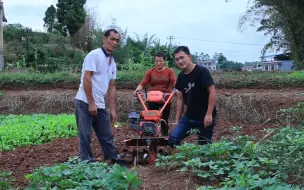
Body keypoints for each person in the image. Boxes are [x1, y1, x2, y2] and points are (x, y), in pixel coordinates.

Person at [74, 28, 126, 166]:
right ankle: (86, 164)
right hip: (85, 101)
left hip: (100, 104)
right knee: (85, 135)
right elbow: (87, 78)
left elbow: (112, 86)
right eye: (112, 39)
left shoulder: (112, 62)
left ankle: (113, 159)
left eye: (117, 40)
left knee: (106, 134)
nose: (114, 43)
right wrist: (91, 102)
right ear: (104, 39)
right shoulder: (94, 55)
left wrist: (113, 109)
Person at [167, 46, 217, 151]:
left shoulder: (201, 71)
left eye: (182, 57)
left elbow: (212, 91)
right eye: (177, 59)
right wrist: (177, 120)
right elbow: (180, 99)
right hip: (189, 117)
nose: (180, 61)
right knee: (172, 140)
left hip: (204, 116)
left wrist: (209, 114)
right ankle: (178, 159)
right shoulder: (181, 76)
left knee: (204, 147)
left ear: (189, 57)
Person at [133, 52, 177, 136]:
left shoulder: (169, 71)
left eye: (160, 61)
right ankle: (151, 135)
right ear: (154, 61)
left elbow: (174, 81)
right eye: (156, 61)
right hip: (152, 97)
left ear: (164, 61)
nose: (158, 63)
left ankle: (164, 136)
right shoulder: (150, 72)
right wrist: (137, 90)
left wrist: (177, 88)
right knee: (151, 118)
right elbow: (143, 83)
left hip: (166, 98)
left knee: (164, 119)